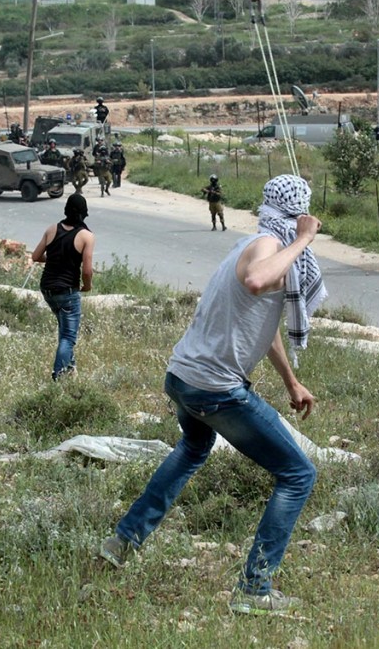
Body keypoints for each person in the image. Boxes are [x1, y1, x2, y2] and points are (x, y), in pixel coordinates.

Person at [99, 173, 327, 617]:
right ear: (296, 212)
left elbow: (262, 318)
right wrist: (304, 239)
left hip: (182, 377)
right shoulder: (268, 247)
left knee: (192, 447)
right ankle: (254, 590)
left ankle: (123, 540)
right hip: (214, 388)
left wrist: (290, 382)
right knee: (298, 475)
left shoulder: (252, 245)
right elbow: (259, 283)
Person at [30, 193, 95, 381]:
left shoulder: (52, 229)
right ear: (83, 214)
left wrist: (55, 259)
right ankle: (58, 377)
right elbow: (87, 270)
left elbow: (35, 256)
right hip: (67, 291)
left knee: (64, 330)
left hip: (47, 289)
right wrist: (87, 286)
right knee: (68, 337)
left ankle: (70, 369)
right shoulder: (86, 236)